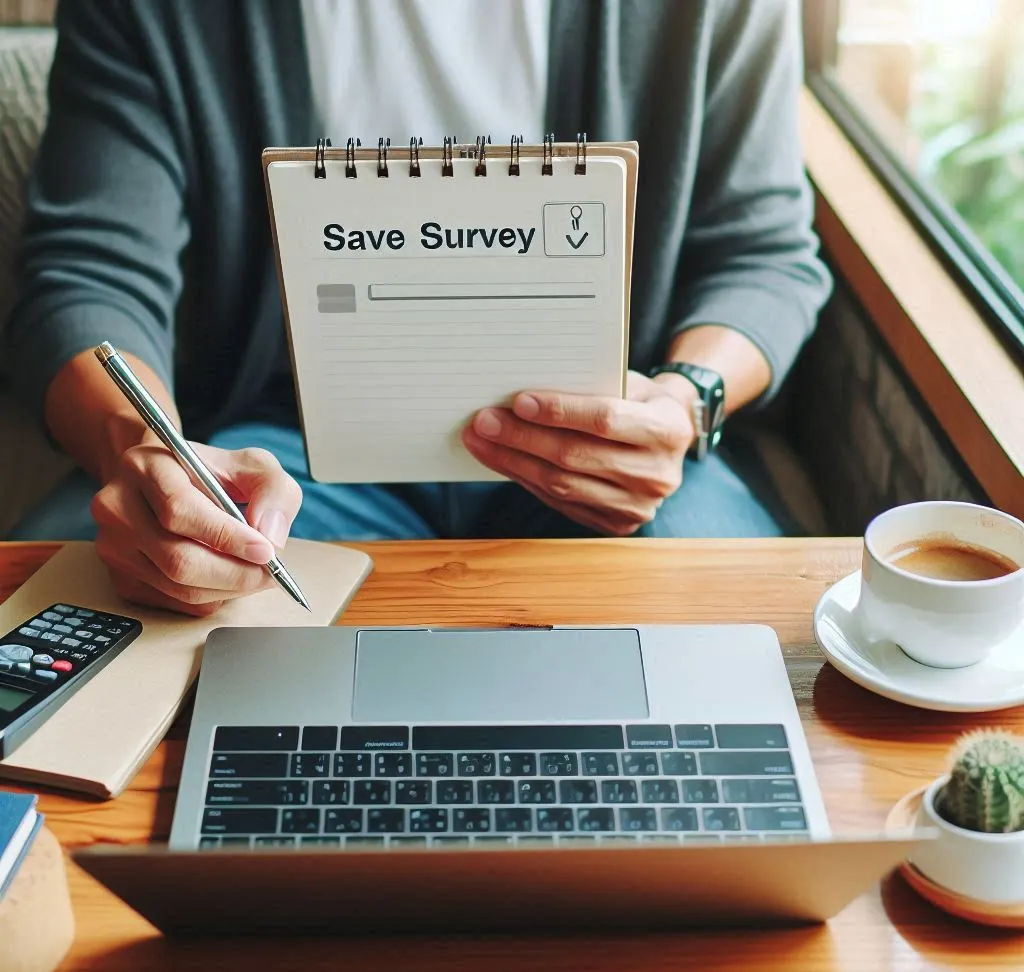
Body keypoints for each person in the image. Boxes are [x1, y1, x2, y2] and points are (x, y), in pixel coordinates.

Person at [3, 0, 831, 616]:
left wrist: (685, 401)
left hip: (612, 447)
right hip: (282, 458)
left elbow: (763, 255)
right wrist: (145, 448)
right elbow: (85, 274)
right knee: (73, 645)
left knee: (738, 643)